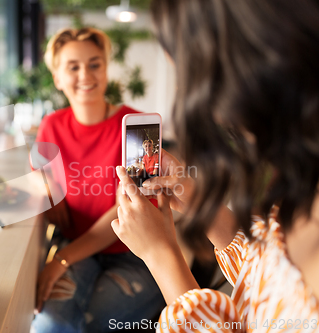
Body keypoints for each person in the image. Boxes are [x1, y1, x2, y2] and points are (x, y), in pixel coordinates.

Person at [111, 0, 319, 332]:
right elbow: (264, 277)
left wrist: (161, 255)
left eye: (187, 76)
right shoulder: (301, 184)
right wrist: (195, 200)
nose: (183, 93)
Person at [31, 27, 164, 333]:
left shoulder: (140, 129)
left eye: (94, 64)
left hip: (136, 254)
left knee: (99, 322)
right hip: (79, 250)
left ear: (106, 69)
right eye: (72, 67)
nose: (85, 75)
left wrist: (61, 260)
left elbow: (129, 211)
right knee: (51, 323)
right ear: (58, 78)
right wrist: (48, 195)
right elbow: (40, 187)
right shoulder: (50, 126)